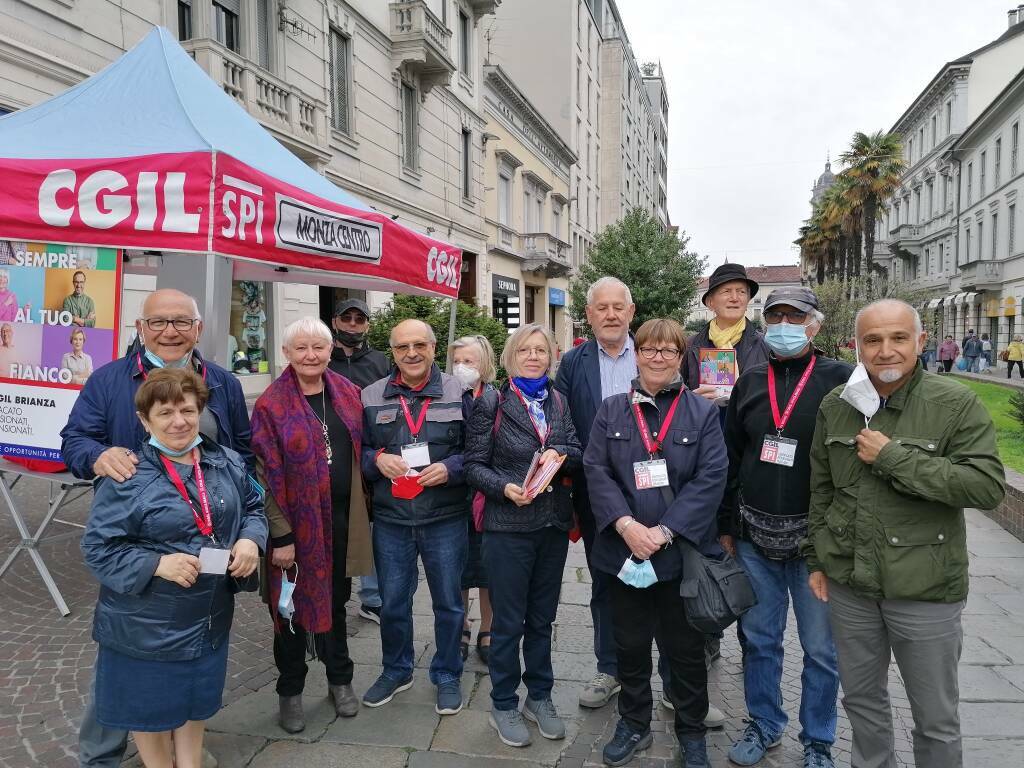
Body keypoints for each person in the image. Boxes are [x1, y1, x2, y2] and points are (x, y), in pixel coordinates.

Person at [804, 299, 1005, 768]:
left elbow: (986, 486)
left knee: (934, 717)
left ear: (920, 341)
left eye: (898, 338)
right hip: (851, 585)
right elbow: (821, 488)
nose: (885, 350)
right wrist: (816, 558)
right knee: (862, 704)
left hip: (924, 589)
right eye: (872, 340)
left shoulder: (954, 403)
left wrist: (894, 457)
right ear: (857, 346)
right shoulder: (838, 405)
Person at [62, 288, 253, 768]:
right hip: (140, 547)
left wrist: (242, 521)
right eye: (159, 321)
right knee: (128, 668)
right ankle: (104, 755)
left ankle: (179, 748)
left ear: (198, 328)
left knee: (190, 668)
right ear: (140, 328)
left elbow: (243, 454)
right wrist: (97, 455)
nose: (170, 330)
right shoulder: (109, 381)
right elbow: (74, 440)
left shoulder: (223, 383)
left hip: (203, 561)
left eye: (181, 321)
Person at [554, 277, 726, 727]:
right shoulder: (574, 363)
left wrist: (664, 529)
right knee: (610, 591)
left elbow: (705, 463)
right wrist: (623, 520)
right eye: (601, 307)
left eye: (618, 307)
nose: (610, 314)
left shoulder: (665, 362)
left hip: (672, 515)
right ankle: (612, 671)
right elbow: (569, 430)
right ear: (589, 314)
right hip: (608, 506)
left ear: (631, 313)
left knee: (675, 608)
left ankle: (675, 687)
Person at [584, 318, 728, 768]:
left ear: (681, 357)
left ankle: (691, 730)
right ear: (637, 352)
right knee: (628, 646)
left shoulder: (702, 413)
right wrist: (627, 526)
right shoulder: (612, 409)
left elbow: (711, 479)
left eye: (669, 351)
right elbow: (596, 469)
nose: (658, 358)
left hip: (679, 557)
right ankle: (634, 723)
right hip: (623, 554)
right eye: (650, 349)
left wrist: (664, 532)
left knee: (685, 651)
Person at [718, 288, 850, 768]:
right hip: (754, 537)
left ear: (814, 324)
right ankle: (764, 723)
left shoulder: (840, 379)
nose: (784, 325)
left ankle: (818, 740)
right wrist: (726, 525)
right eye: (775, 317)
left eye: (794, 316)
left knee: (820, 649)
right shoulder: (750, 381)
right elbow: (731, 457)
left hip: (815, 544)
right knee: (760, 640)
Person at [250, 317, 372, 732]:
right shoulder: (271, 404)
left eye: (318, 347)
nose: (310, 355)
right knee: (288, 612)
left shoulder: (348, 393)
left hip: (339, 522)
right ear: (286, 353)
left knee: (336, 603)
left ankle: (340, 681)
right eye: (300, 348)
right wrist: (279, 534)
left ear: (330, 350)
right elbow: (262, 475)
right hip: (293, 529)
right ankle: (290, 691)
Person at [465, 324, 582, 748]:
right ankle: (503, 703)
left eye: (541, 350)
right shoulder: (492, 403)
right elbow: (473, 465)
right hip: (508, 528)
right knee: (509, 622)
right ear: (511, 357)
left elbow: (579, 451)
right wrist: (503, 488)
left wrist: (562, 454)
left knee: (541, 620)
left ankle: (540, 697)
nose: (534, 356)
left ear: (551, 356)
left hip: (550, 525)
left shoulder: (559, 401)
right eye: (525, 350)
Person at [360, 319, 469, 715]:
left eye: (419, 345)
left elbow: (476, 450)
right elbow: (362, 451)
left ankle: (447, 673)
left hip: (445, 516)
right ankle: (396, 669)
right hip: (392, 517)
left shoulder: (460, 391)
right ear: (392, 351)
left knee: (449, 603)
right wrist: (377, 459)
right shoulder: (371, 395)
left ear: (433, 347)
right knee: (392, 602)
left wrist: (452, 468)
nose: (411, 353)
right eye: (403, 346)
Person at [327, 298, 391, 624]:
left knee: (373, 524)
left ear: (367, 324)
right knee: (342, 523)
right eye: (347, 318)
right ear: (335, 321)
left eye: (359, 319)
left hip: (372, 452)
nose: (353, 325)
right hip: (335, 453)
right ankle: (336, 593)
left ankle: (372, 597)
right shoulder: (323, 359)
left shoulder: (380, 361)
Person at [450, 334, 498, 664]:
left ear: (485, 365)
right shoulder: (446, 397)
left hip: (485, 495)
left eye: (470, 361)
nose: (463, 367)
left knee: (487, 569)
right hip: (453, 495)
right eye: (458, 361)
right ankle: (460, 625)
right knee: (457, 568)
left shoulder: (496, 398)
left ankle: (488, 629)